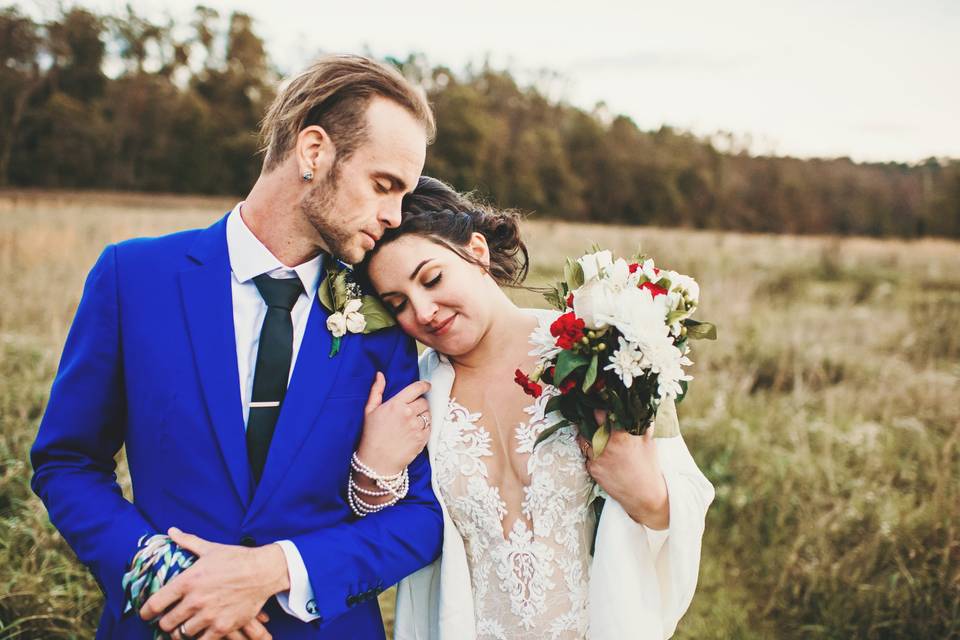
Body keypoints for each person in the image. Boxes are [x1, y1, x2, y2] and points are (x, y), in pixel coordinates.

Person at [30, 55, 442, 640]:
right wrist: (167, 579)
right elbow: (66, 462)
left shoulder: (385, 314)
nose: (395, 215)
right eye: (384, 185)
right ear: (314, 151)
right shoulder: (133, 277)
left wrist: (271, 570)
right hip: (162, 622)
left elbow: (420, 519)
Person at [358, 177, 716, 640]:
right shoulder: (413, 395)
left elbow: (686, 496)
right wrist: (373, 468)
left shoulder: (598, 354)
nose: (423, 311)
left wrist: (647, 493)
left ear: (477, 251)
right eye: (398, 303)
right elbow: (388, 539)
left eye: (432, 279)